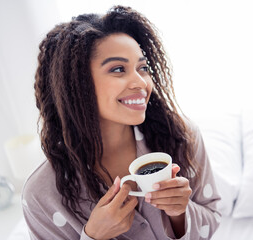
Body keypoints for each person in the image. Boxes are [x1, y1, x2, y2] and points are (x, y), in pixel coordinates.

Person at [22, 5, 221, 240]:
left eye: (143, 68)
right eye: (118, 69)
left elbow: (213, 218)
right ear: (76, 85)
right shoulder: (41, 195)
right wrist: (93, 236)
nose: (141, 82)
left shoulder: (181, 135)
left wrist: (179, 213)